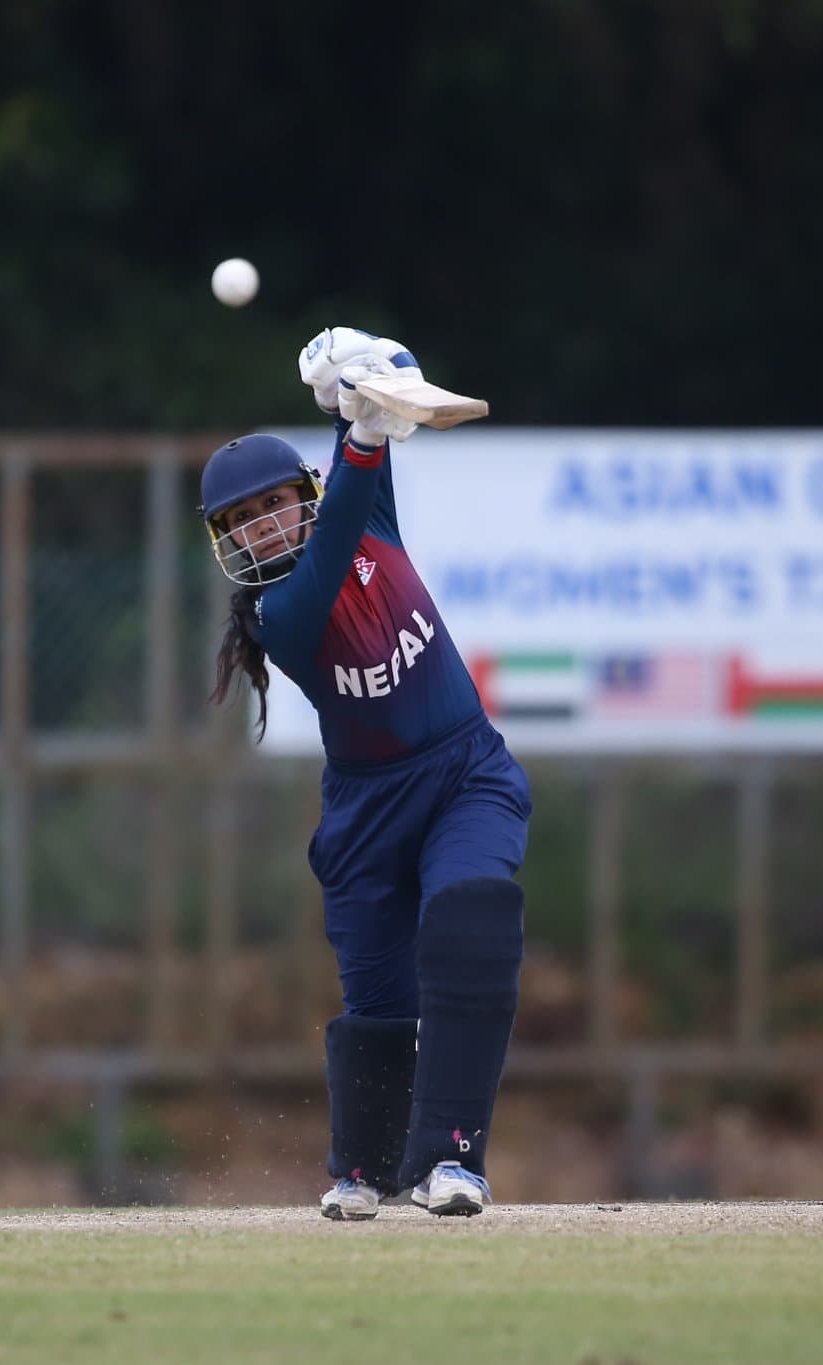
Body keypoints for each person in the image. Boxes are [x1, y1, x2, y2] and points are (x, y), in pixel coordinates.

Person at [199, 327, 532, 1218]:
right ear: (228, 542)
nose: (262, 525)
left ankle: (453, 1160)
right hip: (367, 814)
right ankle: (365, 1169)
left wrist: (367, 378)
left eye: (274, 504)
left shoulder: (365, 510)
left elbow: (393, 415)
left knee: (470, 919)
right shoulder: (279, 614)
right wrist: (361, 432)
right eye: (242, 520)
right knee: (381, 1001)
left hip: (466, 773)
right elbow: (345, 508)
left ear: (302, 496)